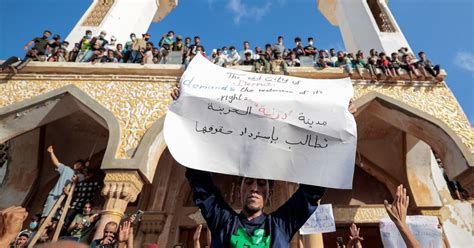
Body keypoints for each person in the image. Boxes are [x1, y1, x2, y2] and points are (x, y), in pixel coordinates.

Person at [40, 146, 85, 220]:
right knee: (46, 217)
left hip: (66, 200)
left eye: (80, 164)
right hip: (55, 195)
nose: (77, 165)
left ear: (82, 167)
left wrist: (76, 180)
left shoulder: (81, 176)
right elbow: (57, 162)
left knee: (56, 220)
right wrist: (51, 152)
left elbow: (80, 182)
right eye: (77, 163)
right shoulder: (66, 169)